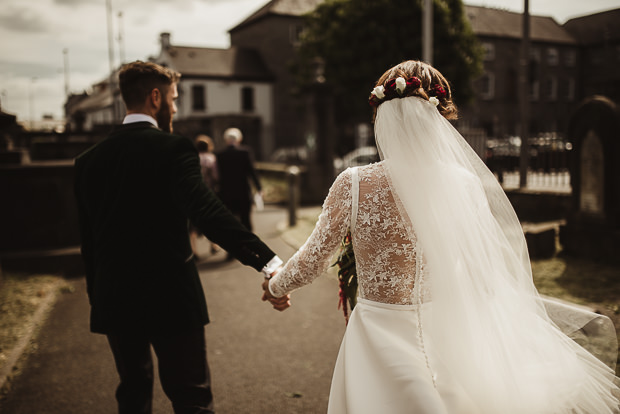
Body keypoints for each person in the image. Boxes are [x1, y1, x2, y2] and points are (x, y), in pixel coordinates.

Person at [262, 60, 620, 413]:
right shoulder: (463, 183)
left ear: (380, 115)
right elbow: (479, 266)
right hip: (449, 335)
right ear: (438, 117)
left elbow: (313, 259)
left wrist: (277, 287)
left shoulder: (354, 184)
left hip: (377, 335)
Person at [74, 60, 289, 414]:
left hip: (114, 296)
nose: (175, 107)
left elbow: (88, 242)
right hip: (170, 295)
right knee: (191, 397)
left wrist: (99, 298)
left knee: (132, 394)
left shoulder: (88, 161)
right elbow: (208, 211)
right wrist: (268, 261)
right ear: (155, 98)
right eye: (173, 99)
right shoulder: (173, 150)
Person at [215, 127, 262, 233]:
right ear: (239, 139)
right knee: (246, 221)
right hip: (243, 192)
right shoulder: (245, 152)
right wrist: (259, 188)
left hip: (226, 193)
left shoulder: (219, 155)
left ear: (226, 140)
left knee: (230, 222)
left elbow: (217, 176)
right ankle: (249, 246)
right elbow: (252, 171)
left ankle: (233, 247)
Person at [190, 134, 219, 257]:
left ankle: (194, 250)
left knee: (193, 225)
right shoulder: (211, 159)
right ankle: (214, 245)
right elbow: (216, 176)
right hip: (208, 193)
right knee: (210, 221)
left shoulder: (192, 158)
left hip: (193, 194)